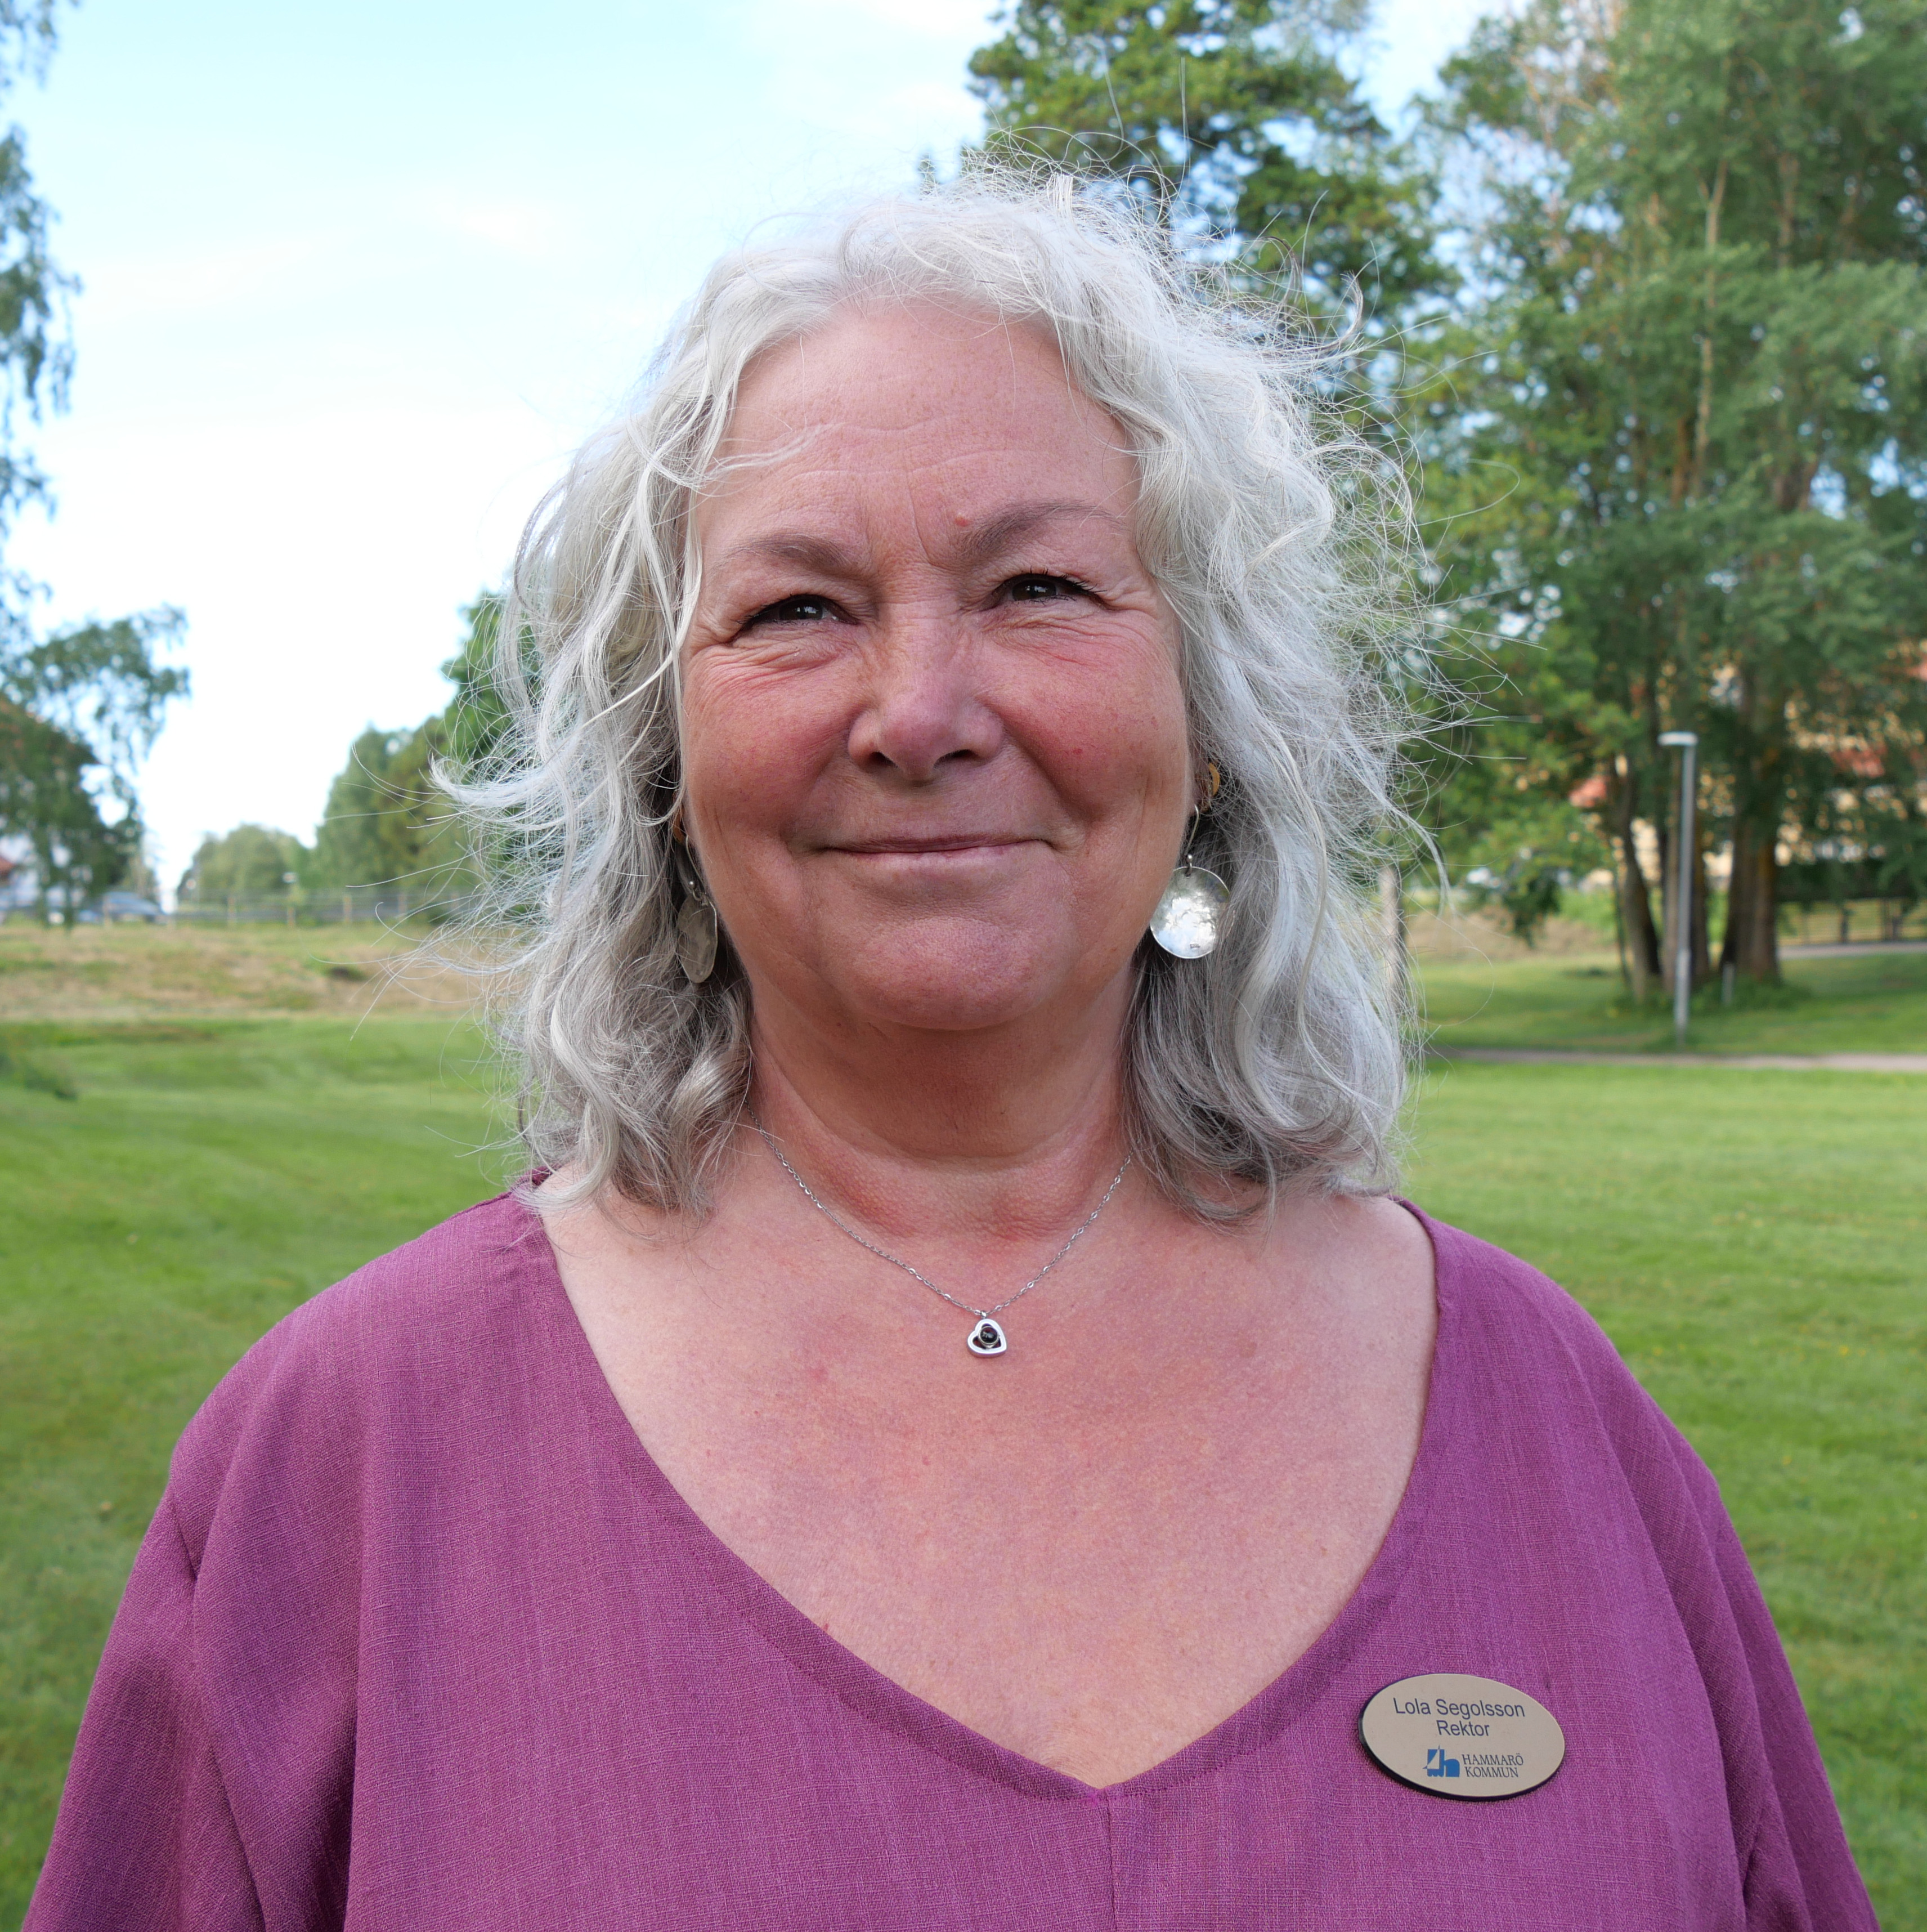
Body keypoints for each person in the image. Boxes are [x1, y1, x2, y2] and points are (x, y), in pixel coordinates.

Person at [29, 175, 1874, 1931]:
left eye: (1039, 588)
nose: (919, 714)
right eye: (797, 609)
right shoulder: (345, 1464)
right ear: (663, 767)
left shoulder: (1559, 1428)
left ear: (1209, 722)